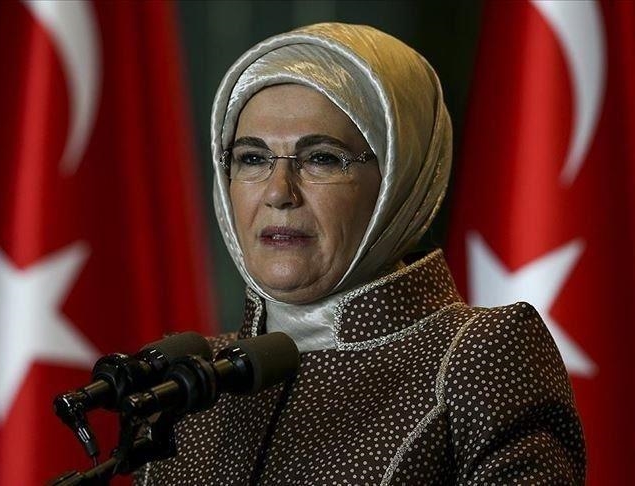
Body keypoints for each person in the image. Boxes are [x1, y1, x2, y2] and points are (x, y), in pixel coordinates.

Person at [135, 22, 585, 485]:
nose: (278, 193)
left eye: (321, 158)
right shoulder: (190, 382)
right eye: (252, 158)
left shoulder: (476, 355)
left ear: (398, 179)